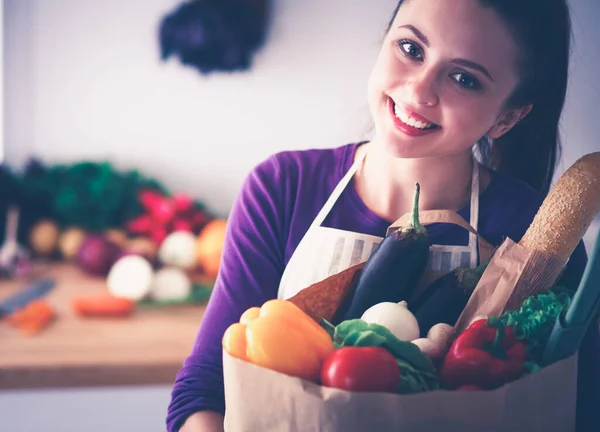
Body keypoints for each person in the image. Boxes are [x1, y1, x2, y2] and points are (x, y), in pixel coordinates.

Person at [167, 0, 600, 431]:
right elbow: (205, 388)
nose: (419, 90)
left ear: (507, 118)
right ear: (384, 40)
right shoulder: (284, 187)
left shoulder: (539, 236)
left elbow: (582, 406)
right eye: (411, 49)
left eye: (464, 79)